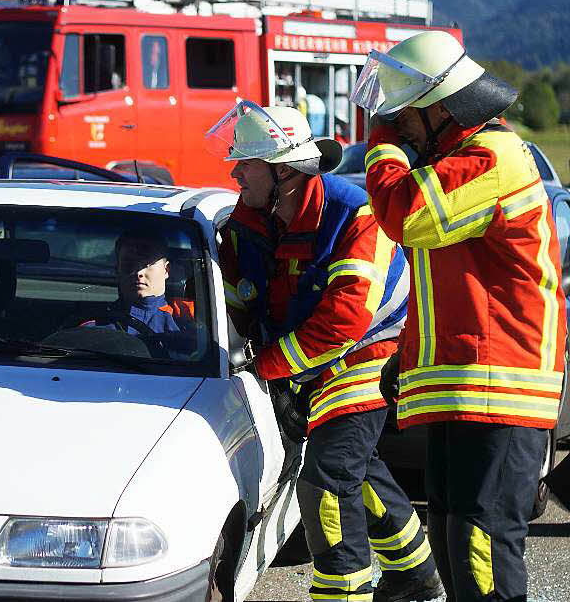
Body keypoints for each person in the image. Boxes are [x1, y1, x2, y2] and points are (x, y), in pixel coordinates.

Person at [351, 30, 566, 602]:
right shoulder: (455, 162)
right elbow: (442, 285)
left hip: (501, 387)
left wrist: (378, 141)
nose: (399, 127)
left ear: (440, 108)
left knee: (482, 548)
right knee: (454, 541)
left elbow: (408, 217)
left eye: (404, 116)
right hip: (464, 384)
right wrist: (408, 355)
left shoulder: (493, 156)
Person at [212, 101, 443, 602]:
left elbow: (346, 320)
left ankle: (345, 591)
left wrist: (270, 370)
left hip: (367, 352)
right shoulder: (247, 220)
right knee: (359, 470)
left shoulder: (355, 214)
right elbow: (228, 295)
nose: (234, 172)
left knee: (329, 477)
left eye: (245, 163)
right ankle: (417, 578)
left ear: (282, 172)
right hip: (303, 358)